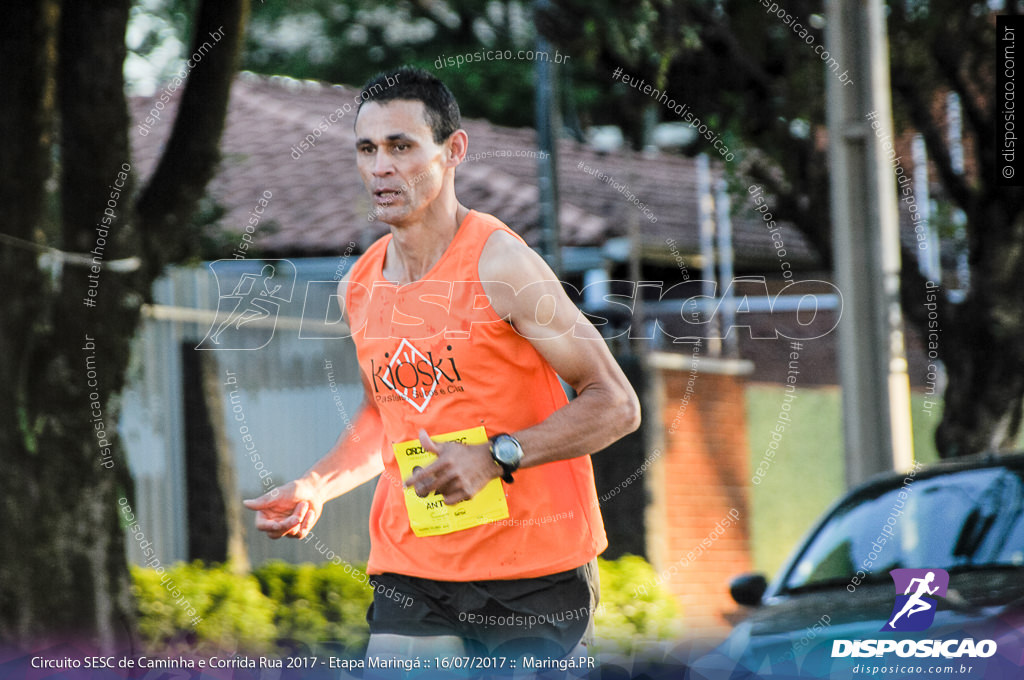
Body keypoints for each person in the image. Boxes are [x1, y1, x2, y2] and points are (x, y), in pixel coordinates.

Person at [243, 66, 640, 664]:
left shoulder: (500, 263)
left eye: (401, 147)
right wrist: (317, 487)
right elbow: (386, 415)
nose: (381, 167)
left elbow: (616, 404)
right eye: (368, 149)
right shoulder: (360, 284)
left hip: (533, 573)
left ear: (453, 151)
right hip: (413, 566)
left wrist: (496, 456)